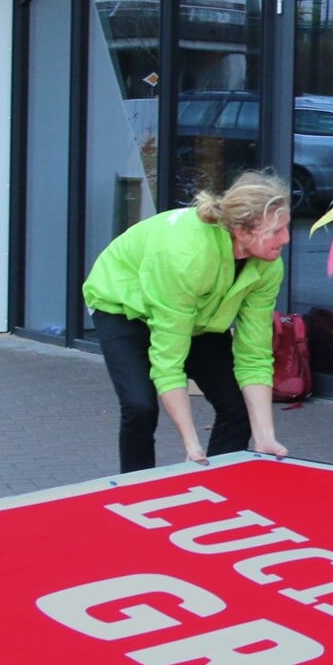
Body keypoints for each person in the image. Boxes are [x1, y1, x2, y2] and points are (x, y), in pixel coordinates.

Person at [83, 168, 292, 472]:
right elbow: (169, 363)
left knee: (237, 406)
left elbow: (255, 355)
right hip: (123, 305)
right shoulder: (187, 256)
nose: (285, 239)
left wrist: (266, 437)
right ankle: (137, 490)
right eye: (275, 231)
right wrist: (191, 444)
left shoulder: (268, 266)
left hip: (198, 313)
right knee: (140, 406)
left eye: (286, 228)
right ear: (242, 231)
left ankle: (219, 486)